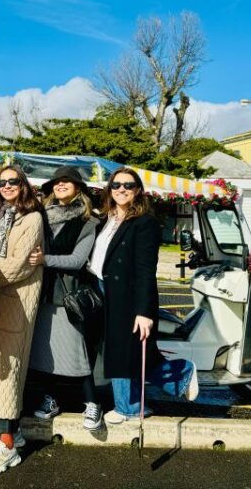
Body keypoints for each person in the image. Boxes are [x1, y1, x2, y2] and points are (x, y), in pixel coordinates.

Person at [88, 167, 198, 425]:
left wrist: (144, 311)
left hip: (127, 297)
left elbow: (146, 271)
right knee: (125, 352)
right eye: (116, 185)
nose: (121, 190)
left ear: (137, 190)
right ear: (110, 189)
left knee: (125, 351)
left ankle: (173, 377)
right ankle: (134, 404)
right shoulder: (105, 220)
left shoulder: (145, 223)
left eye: (128, 185)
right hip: (103, 292)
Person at [27, 166, 102, 430]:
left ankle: (92, 402)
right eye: (57, 182)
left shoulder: (88, 221)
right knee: (44, 349)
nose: (60, 185)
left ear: (78, 188)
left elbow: (78, 260)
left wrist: (44, 260)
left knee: (75, 350)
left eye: (67, 182)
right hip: (42, 290)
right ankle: (51, 399)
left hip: (68, 293)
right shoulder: (40, 217)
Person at [0, 165, 44, 474]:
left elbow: (19, 264)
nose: (7, 186)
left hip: (15, 303)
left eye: (13, 181)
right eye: (2, 182)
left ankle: (6, 445)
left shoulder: (32, 219)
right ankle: (6, 433)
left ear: (23, 186)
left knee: (8, 371)